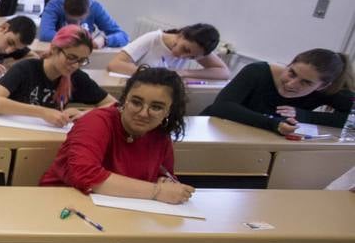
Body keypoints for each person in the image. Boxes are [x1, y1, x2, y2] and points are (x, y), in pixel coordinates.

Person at [42, 66, 195, 204]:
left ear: (168, 111)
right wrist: (157, 191)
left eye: (156, 107)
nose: (143, 113)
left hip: (122, 208)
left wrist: (165, 182)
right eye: (136, 102)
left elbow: (164, 175)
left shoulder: (160, 133)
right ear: (124, 100)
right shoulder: (96, 122)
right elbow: (84, 175)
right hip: (65, 203)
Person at [0, 25, 116, 127]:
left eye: (82, 61)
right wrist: (43, 112)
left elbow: (114, 105)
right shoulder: (26, 69)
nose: (75, 65)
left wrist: (83, 114)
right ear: (54, 49)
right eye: (71, 57)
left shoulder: (76, 76)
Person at [203, 49, 352, 135]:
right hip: (215, 131)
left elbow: (351, 120)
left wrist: (303, 115)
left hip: (259, 142)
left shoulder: (329, 91)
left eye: (305, 82)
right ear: (288, 64)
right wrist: (274, 124)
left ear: (322, 86)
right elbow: (222, 107)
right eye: (291, 73)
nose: (291, 83)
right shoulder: (257, 71)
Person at [107, 24, 229, 80]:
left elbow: (224, 73)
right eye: (185, 49)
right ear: (181, 35)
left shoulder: (197, 49)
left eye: (191, 58)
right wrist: (155, 75)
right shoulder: (153, 38)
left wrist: (184, 72)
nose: (183, 56)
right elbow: (114, 64)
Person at [39, 0, 129, 48]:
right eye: (72, 21)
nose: (77, 25)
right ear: (64, 9)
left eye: (81, 20)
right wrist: (82, 41)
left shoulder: (95, 7)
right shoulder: (54, 5)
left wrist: (105, 40)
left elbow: (123, 36)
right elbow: (45, 34)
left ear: (88, 12)